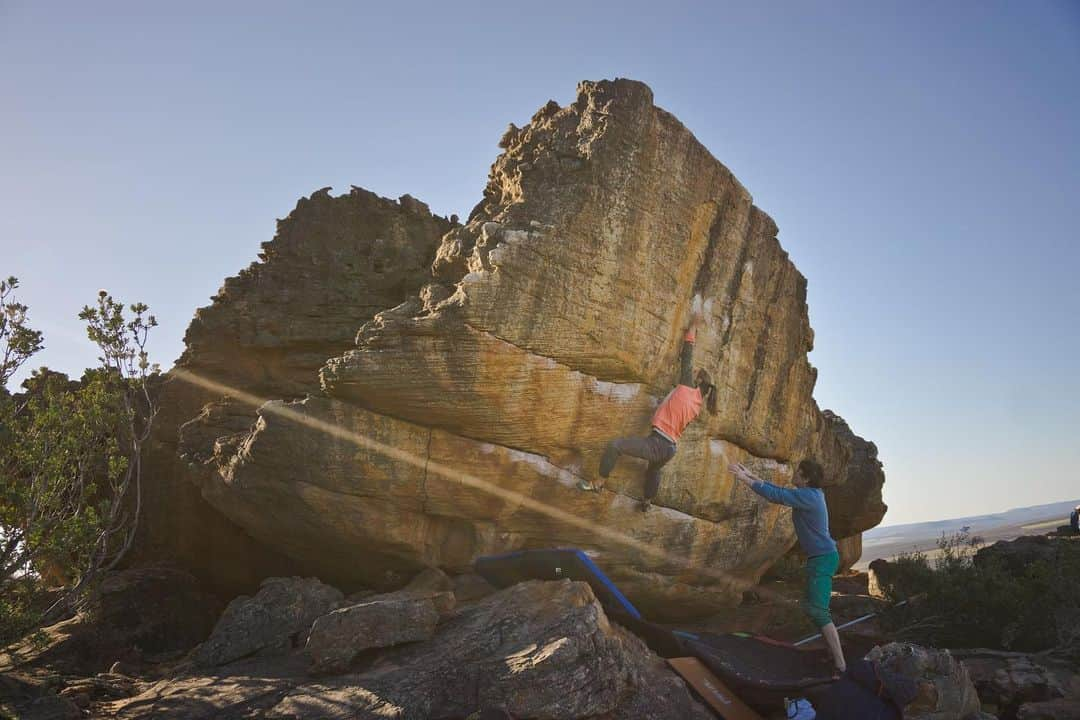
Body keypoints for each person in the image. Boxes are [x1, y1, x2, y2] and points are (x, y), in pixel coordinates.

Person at [582, 308, 718, 511]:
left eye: (695, 373)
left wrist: (693, 326)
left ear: (697, 381)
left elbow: (687, 354)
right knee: (654, 471)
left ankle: (599, 482)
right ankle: (647, 502)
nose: (691, 372)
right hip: (669, 448)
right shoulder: (697, 405)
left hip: (658, 444)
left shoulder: (688, 387)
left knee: (615, 446)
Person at [729, 458, 847, 675]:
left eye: (798, 472)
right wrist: (752, 475)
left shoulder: (810, 497)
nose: (794, 474)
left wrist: (745, 480)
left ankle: (840, 664)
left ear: (806, 477)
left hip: (823, 558)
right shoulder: (810, 494)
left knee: (818, 612)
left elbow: (778, 496)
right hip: (820, 557)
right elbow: (780, 490)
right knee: (814, 609)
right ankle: (832, 654)